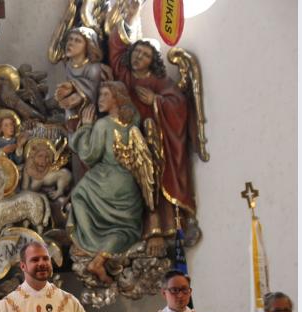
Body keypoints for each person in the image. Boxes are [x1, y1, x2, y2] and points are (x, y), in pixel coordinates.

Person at [109, 11, 199, 255]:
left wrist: (157, 100)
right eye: (137, 52)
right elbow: (116, 50)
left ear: (153, 60)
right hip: (130, 144)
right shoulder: (125, 75)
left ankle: (165, 227)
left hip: (157, 144)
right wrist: (129, 17)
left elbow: (179, 102)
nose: (139, 57)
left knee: (156, 183)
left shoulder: (159, 81)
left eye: (146, 55)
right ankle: (138, 230)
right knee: (134, 186)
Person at [67, 81, 145, 283]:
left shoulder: (103, 124)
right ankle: (100, 259)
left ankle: (91, 247)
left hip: (105, 179)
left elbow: (90, 154)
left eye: (104, 95)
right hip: (128, 183)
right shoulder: (133, 121)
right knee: (124, 229)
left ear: (117, 98)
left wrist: (84, 127)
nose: (100, 100)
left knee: (78, 197)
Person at [54, 26, 109, 128]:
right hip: (72, 108)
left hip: (89, 110)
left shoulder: (93, 68)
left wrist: (73, 88)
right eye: (70, 39)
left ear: (88, 46)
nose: (71, 43)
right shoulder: (69, 64)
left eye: (77, 40)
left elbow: (93, 91)